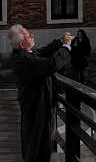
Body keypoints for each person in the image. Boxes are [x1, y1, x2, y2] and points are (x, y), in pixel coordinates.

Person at [12, 27, 69, 162]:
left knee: (39, 142)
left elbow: (43, 51)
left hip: (38, 106)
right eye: (29, 36)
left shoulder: (27, 54)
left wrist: (60, 42)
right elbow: (51, 64)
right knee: (37, 143)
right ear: (22, 44)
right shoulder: (26, 60)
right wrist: (66, 47)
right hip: (36, 108)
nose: (32, 35)